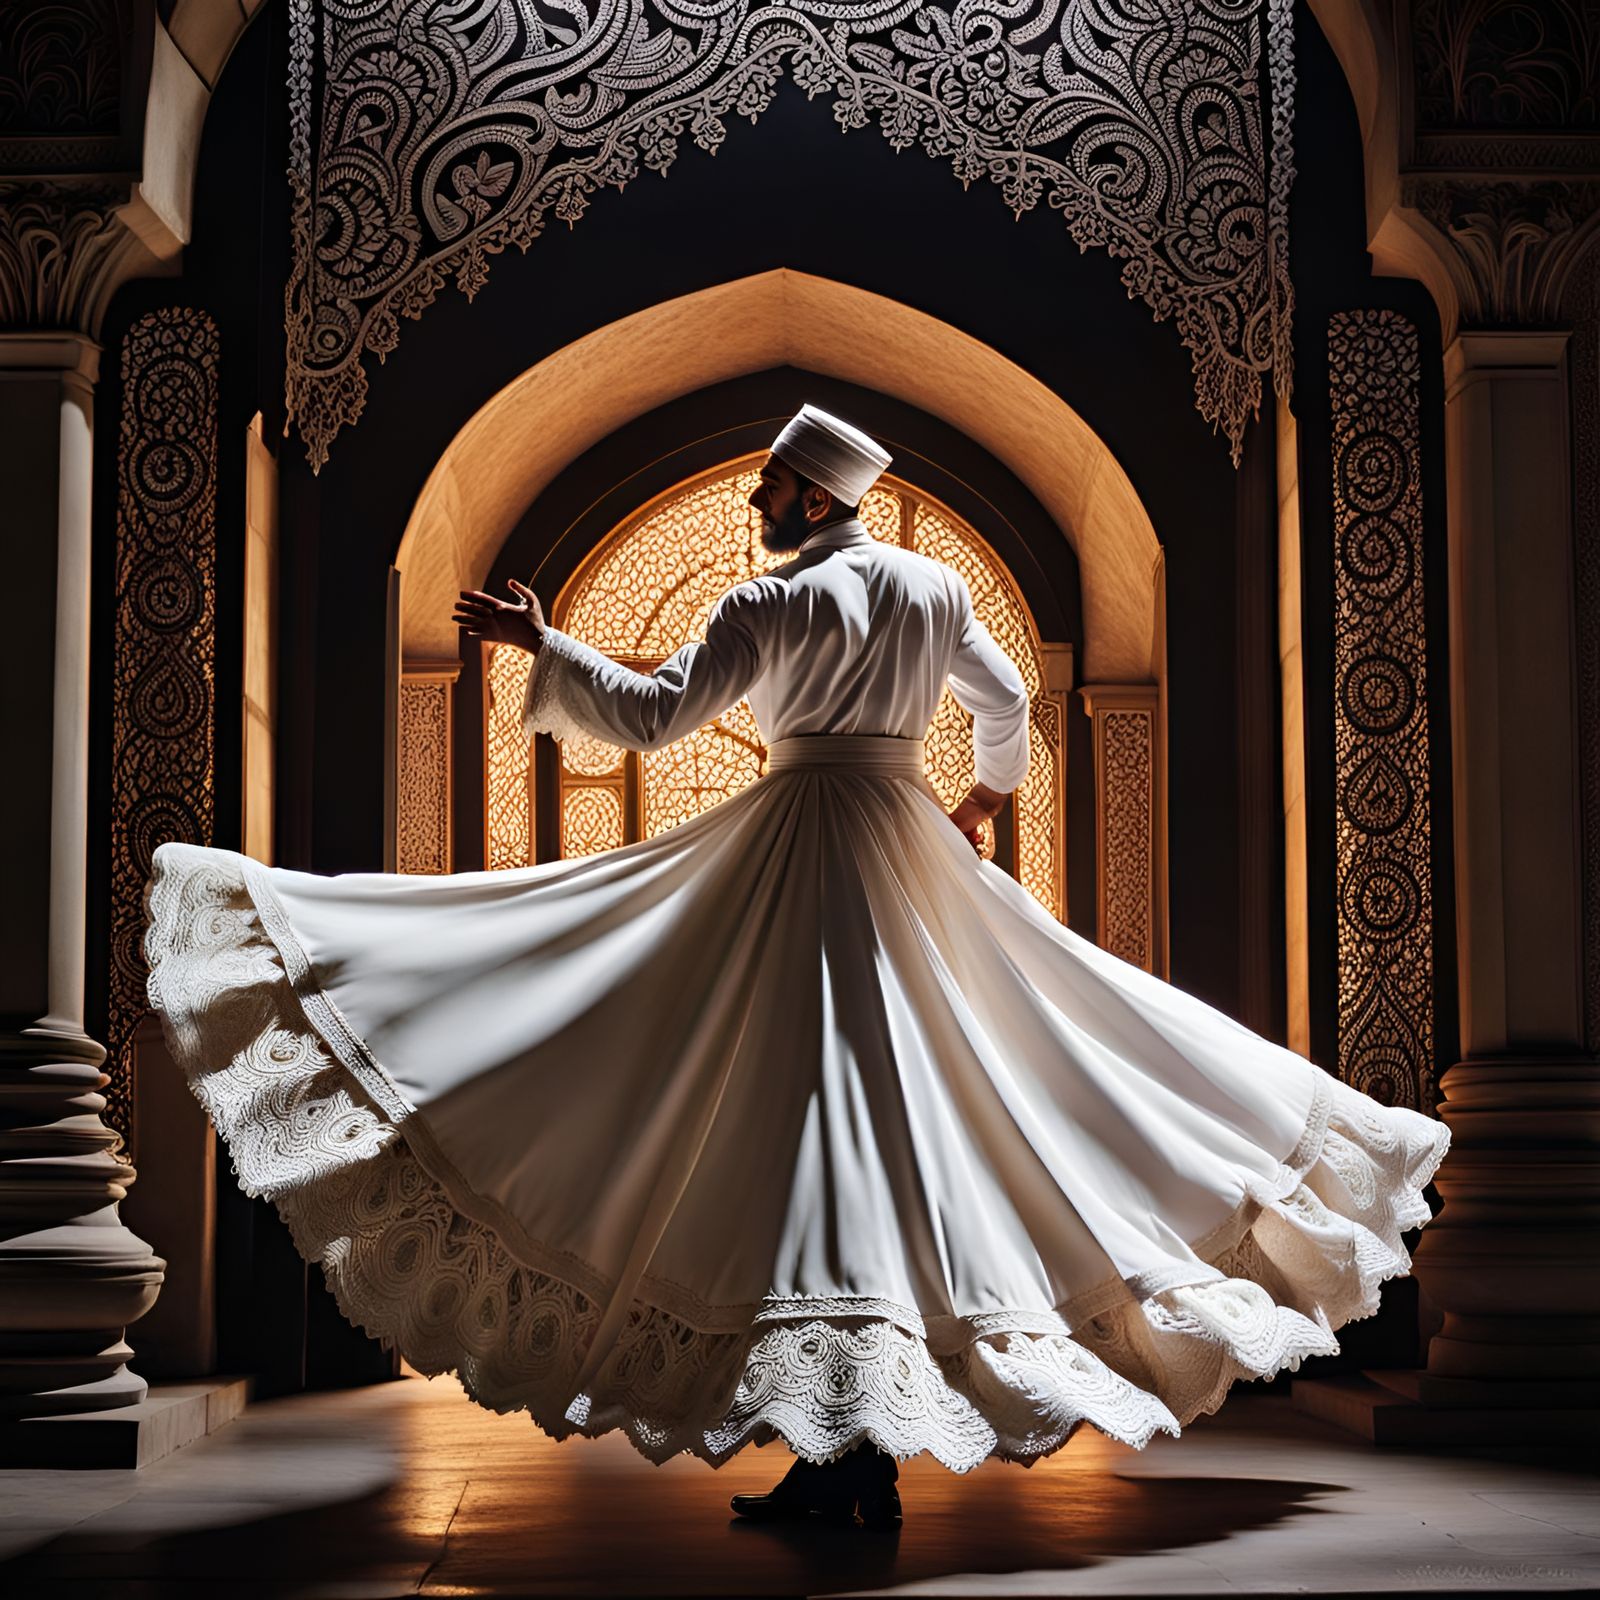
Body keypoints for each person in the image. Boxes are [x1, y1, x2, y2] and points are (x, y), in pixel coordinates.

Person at [145, 404, 1451, 1532]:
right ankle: (845, 1457)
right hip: (902, 851)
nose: (759, 499)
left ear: (814, 495)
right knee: (942, 1103)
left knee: (804, 1133)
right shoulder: (936, 594)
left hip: (796, 853)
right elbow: (1007, 709)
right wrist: (982, 810)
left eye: (772, 485)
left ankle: (844, 1461)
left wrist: (543, 646)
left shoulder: (767, 604)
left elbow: (656, 718)